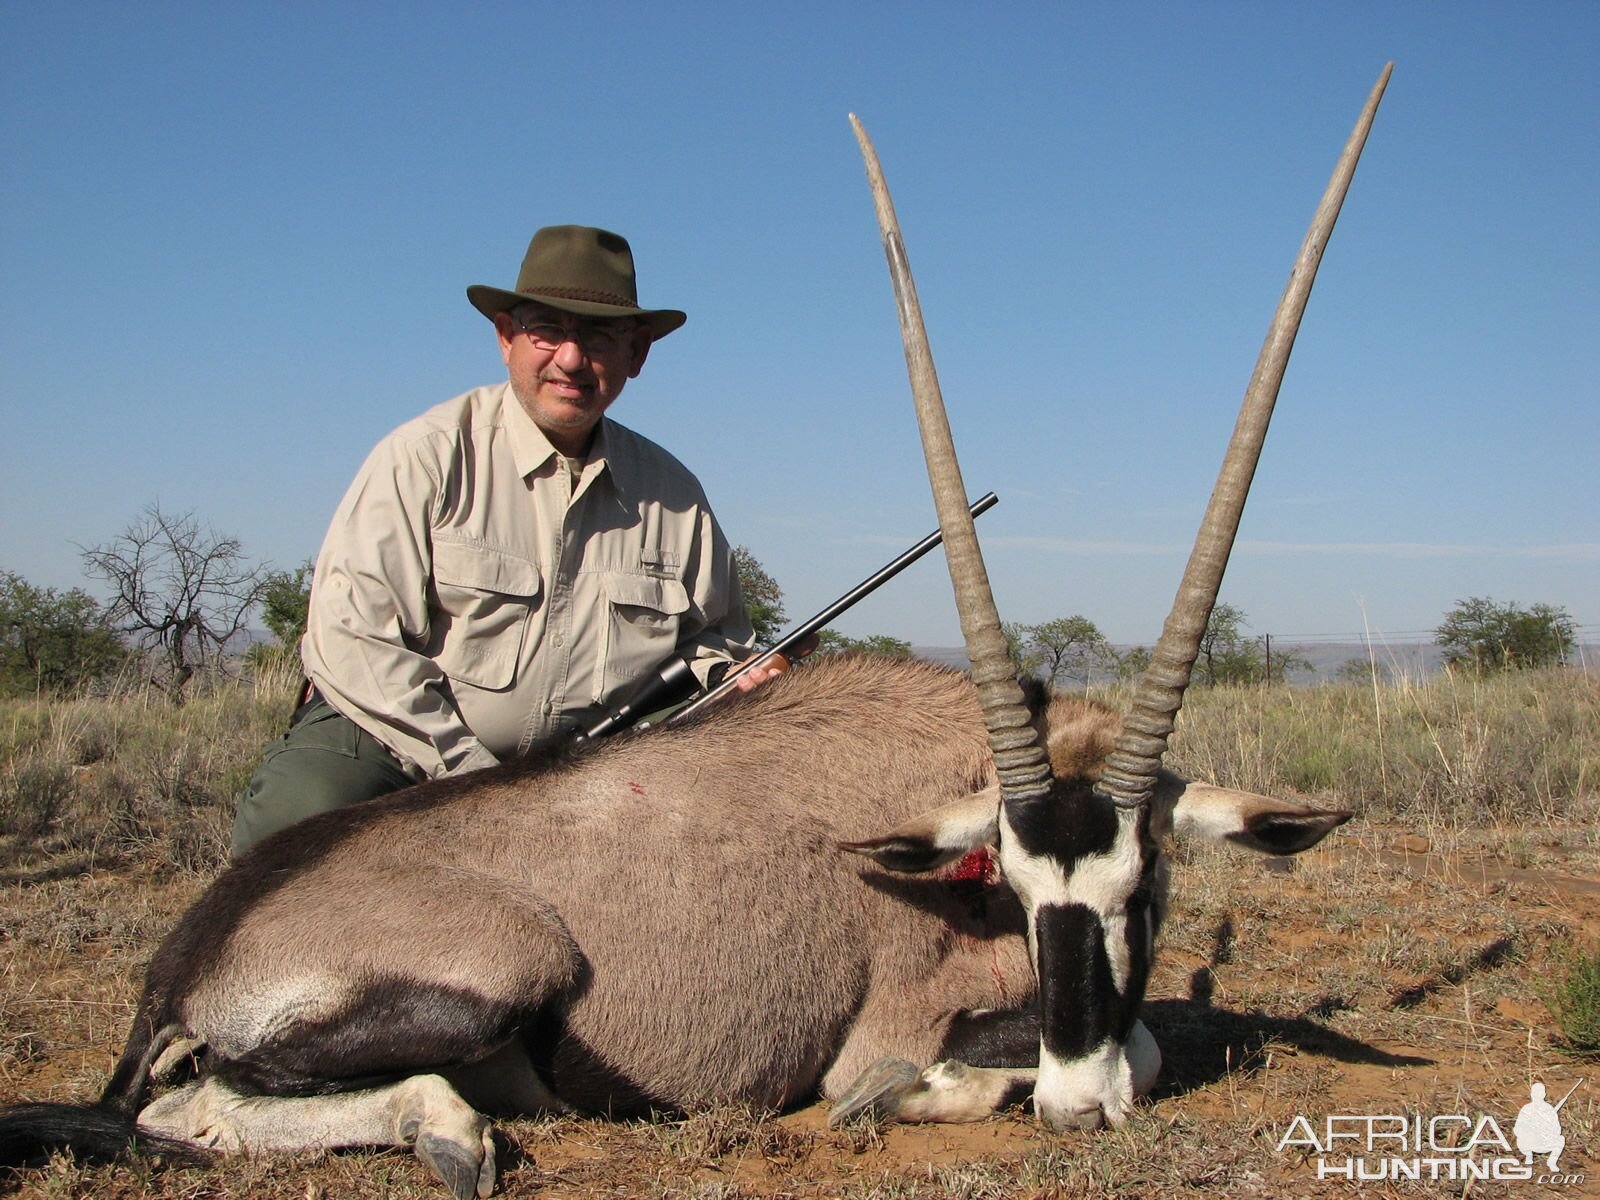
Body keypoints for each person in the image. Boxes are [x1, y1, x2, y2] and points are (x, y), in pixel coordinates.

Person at [231, 225, 762, 856]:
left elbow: (720, 640)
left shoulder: (674, 492)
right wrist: (479, 780)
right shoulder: (425, 455)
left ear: (637, 354)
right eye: (547, 331)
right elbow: (353, 642)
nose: (571, 358)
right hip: (403, 744)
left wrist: (735, 676)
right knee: (299, 811)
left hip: (586, 765)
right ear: (506, 336)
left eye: (599, 336)